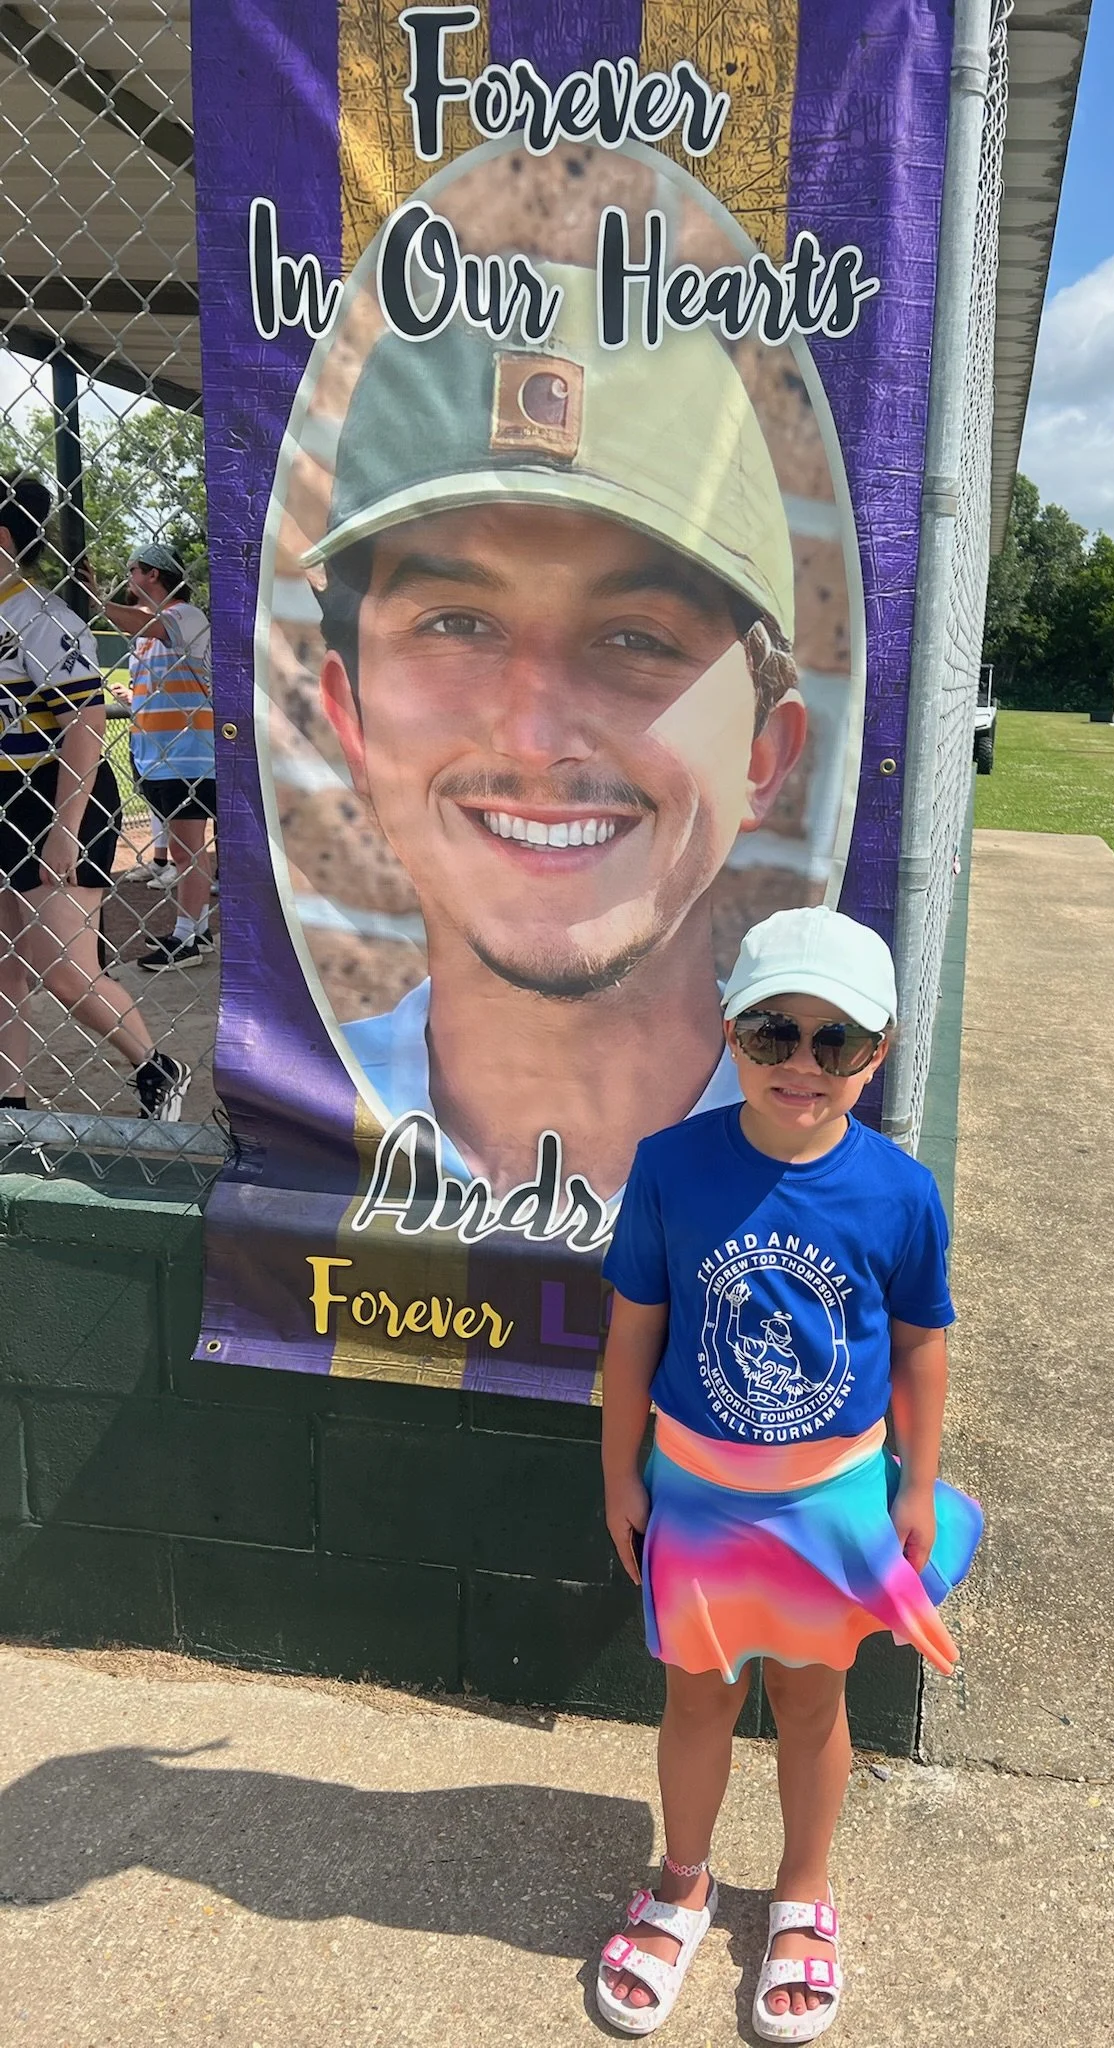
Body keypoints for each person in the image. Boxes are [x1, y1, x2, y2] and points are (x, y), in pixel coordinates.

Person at [308, 265, 807, 1202]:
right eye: (455, 624)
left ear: (761, 755)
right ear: (353, 722)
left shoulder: (831, 1161)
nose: (536, 738)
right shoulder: (308, 1107)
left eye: (637, 639)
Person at [596, 905, 983, 2039]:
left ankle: (804, 1894)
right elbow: (632, 1334)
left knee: (814, 1703)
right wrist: (621, 1473)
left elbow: (919, 1340)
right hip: (700, 1501)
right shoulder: (672, 1167)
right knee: (698, 1699)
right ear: (729, 1034)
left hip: (831, 1504)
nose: (803, 1064)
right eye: (773, 1034)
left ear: (881, 1048)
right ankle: (683, 1879)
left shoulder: (899, 1191)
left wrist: (915, 1484)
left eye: (837, 1040)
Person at [0, 476, 190, 1118]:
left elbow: (83, 723)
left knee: (62, 969)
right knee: (3, 966)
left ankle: (157, 1067)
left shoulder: (40, 616)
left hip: (56, 795)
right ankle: (9, 1101)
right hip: (6, 799)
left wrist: (63, 828)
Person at [85, 542, 216, 969]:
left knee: (186, 852)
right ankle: (196, 931)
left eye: (133, 569)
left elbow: (154, 627)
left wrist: (95, 601)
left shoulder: (184, 617)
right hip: (158, 756)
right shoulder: (147, 633)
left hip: (188, 755)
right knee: (184, 850)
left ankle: (187, 940)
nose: (129, 577)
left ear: (154, 575)